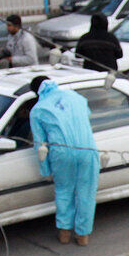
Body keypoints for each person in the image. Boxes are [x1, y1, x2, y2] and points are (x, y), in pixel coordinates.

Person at [29, 77, 99, 245]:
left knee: (63, 191)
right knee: (86, 192)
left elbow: (40, 146)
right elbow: (85, 118)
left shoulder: (38, 110)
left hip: (61, 152)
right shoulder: (77, 97)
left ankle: (64, 233)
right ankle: (83, 235)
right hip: (87, 148)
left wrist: (46, 171)